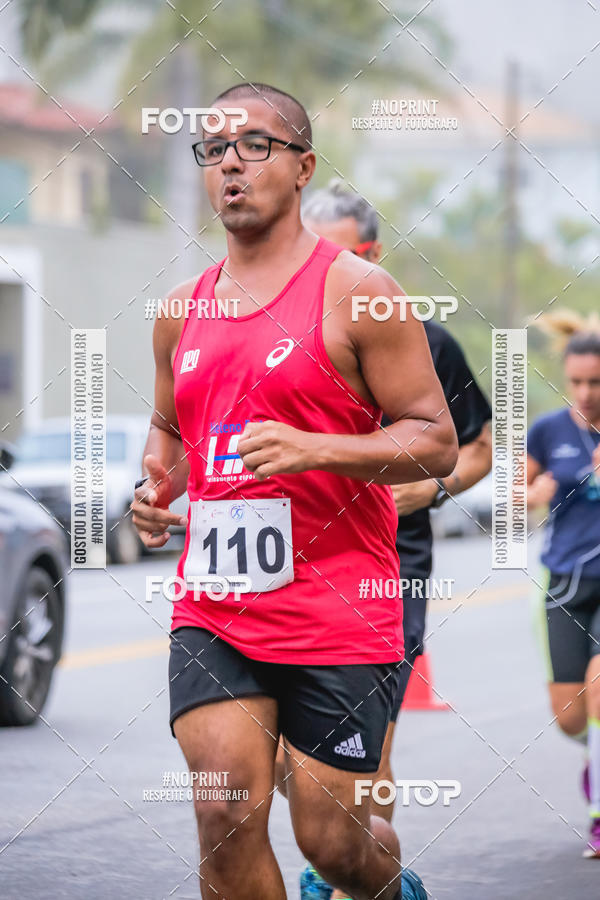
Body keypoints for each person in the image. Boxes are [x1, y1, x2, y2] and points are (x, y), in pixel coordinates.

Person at [130, 82, 458, 900]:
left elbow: (435, 441)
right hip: (215, 606)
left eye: (254, 145)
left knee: (333, 845)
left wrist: (318, 448)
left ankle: (394, 888)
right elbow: (170, 428)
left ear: (304, 166)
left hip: (341, 610)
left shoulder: (359, 292)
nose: (230, 164)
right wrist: (155, 485)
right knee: (225, 816)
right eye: (213, 150)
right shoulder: (181, 310)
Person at [271, 179, 492, 900]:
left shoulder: (425, 339)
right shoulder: (274, 333)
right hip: (294, 561)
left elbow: (480, 448)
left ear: (373, 254)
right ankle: (355, 864)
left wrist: (430, 488)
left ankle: (349, 883)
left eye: (343, 258)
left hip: (388, 565)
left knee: (370, 743)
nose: (324, 277)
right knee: (279, 757)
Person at [527, 310, 600, 858]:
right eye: (576, 381)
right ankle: (592, 755)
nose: (585, 392)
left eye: (596, 382)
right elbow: (510, 504)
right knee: (571, 716)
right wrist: (530, 496)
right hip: (566, 582)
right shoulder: (548, 430)